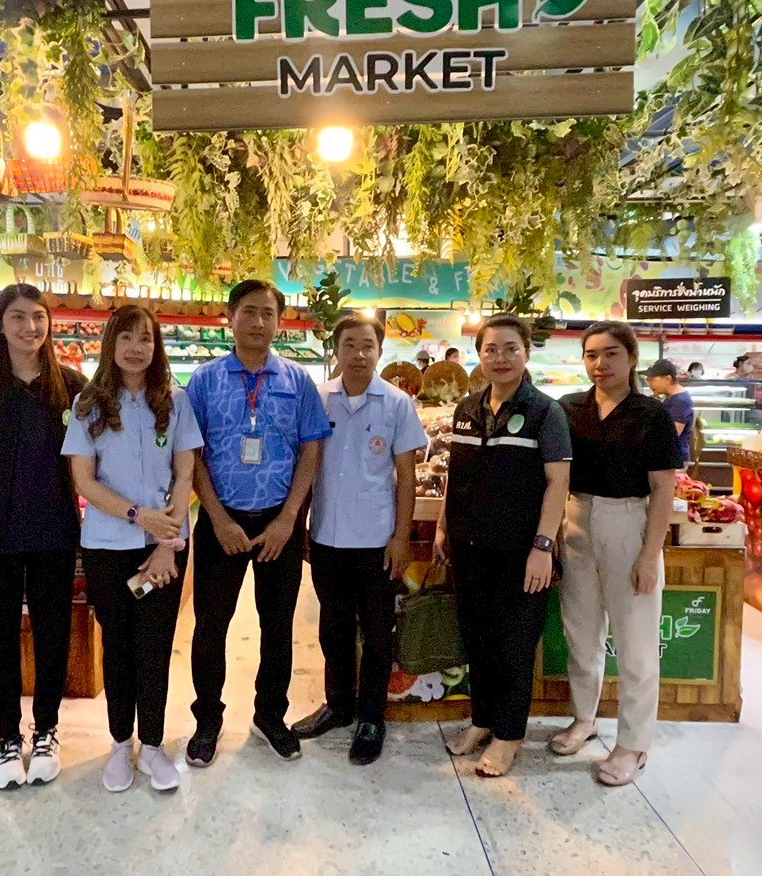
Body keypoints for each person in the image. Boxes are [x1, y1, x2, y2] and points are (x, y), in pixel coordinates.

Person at [0, 283, 88, 789]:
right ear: (0, 326)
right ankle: (7, 737)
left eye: (38, 317)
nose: (30, 327)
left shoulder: (72, 386)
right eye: (18, 317)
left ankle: (46, 730)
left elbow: (88, 465)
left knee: (53, 635)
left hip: (54, 533)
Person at [185, 279, 331, 766]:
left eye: (268, 313)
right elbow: (191, 455)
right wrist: (217, 518)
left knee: (277, 626)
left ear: (279, 322)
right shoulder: (205, 381)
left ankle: (270, 715)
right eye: (249, 311)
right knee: (210, 627)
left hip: (278, 525)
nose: (259, 322)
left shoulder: (297, 380)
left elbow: (311, 449)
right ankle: (208, 719)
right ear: (230, 317)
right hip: (220, 522)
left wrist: (290, 519)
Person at [63, 305, 203, 793]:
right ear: (111, 344)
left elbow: (184, 474)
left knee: (156, 646)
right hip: (107, 547)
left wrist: (167, 541)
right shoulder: (88, 405)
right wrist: (137, 515)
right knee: (118, 647)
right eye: (126, 337)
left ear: (156, 346)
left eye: (145, 338)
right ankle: (121, 743)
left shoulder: (176, 401)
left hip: (164, 548)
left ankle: (154, 746)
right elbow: (83, 479)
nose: (136, 347)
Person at [434, 314, 571, 778]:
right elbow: (457, 474)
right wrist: (443, 527)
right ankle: (482, 720)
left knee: (515, 642)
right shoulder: (467, 408)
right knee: (477, 637)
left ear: (526, 353)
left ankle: (509, 734)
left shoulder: (545, 412)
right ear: (479, 355)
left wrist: (543, 546)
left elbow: (557, 483)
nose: (501, 358)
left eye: (511, 348)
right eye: (491, 349)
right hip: (469, 545)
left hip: (520, 550)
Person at [550, 321, 682, 788]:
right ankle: (583, 719)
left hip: (629, 522)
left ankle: (633, 743)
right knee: (581, 632)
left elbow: (663, 488)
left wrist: (649, 554)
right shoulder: (568, 408)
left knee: (636, 642)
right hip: (575, 521)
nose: (600, 364)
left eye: (611, 354)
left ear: (631, 358)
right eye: (591, 355)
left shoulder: (651, 415)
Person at [291, 315, 427, 765]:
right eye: (350, 345)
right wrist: (301, 525)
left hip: (376, 539)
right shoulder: (317, 398)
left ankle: (371, 717)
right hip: (327, 535)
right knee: (332, 626)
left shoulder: (397, 403)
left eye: (368, 345)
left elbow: (406, 477)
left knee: (377, 631)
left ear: (379, 351)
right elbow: (306, 467)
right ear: (337, 350)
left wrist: (401, 538)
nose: (359, 354)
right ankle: (338, 706)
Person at [643, 359, 696, 465]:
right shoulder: (672, 397)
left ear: (668, 379)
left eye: (652, 379)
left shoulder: (680, 401)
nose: (649, 384)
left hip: (674, 460)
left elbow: (672, 435)